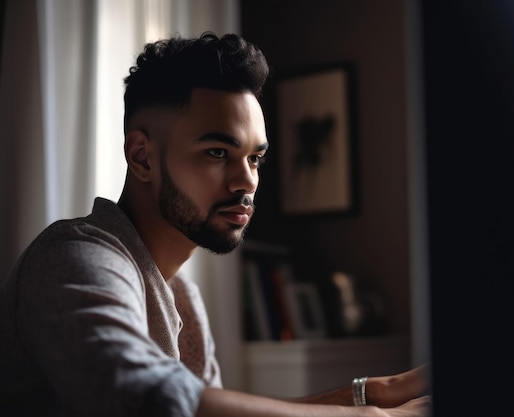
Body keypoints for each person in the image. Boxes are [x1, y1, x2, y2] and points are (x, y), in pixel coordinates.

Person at [0, 32, 430, 417]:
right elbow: (154, 403)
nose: (247, 180)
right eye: (217, 153)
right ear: (142, 157)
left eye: (255, 158)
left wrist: (378, 391)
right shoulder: (74, 256)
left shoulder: (181, 295)